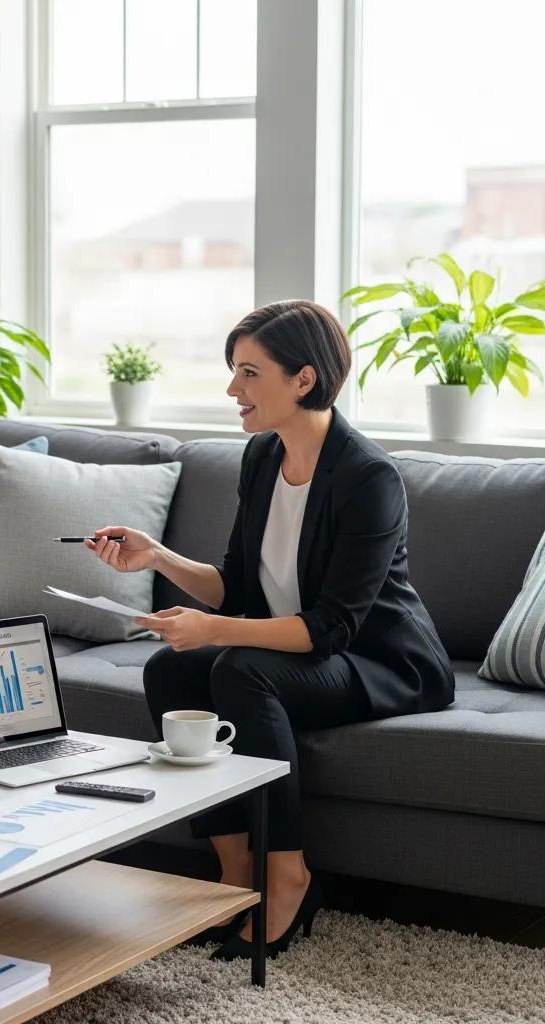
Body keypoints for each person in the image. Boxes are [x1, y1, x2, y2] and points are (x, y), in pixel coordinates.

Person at [87, 299, 454, 960]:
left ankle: (289, 874)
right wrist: (160, 557)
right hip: (311, 647)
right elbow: (238, 583)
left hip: (380, 661)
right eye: (235, 372)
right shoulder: (260, 459)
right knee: (169, 667)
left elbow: (331, 629)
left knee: (238, 667)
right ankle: (235, 870)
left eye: (250, 373)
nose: (233, 389)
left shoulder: (369, 478)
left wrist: (215, 629)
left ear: (304, 380)